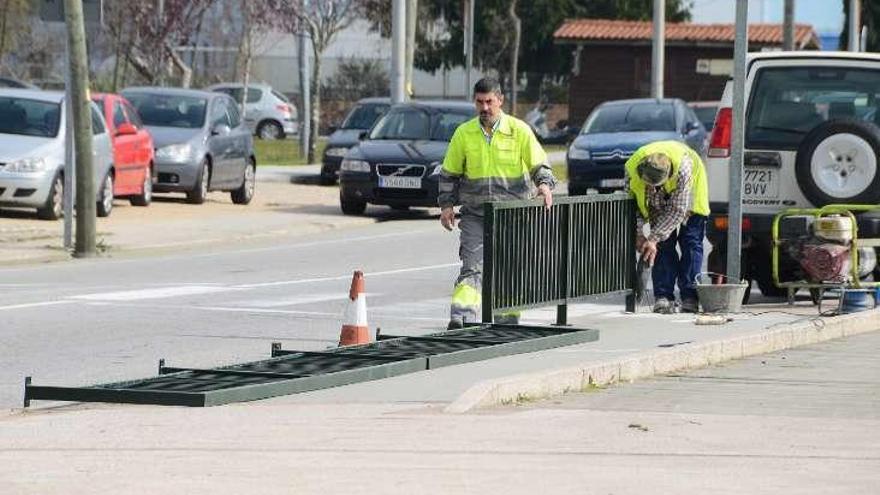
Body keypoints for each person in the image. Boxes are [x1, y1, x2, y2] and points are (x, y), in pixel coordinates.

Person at [439, 77, 556, 329]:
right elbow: (449, 174)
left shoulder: (519, 130)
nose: (484, 108)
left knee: (509, 271)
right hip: (476, 215)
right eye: (479, 102)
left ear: (500, 101)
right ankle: (462, 319)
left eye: (489, 102)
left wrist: (544, 185)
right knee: (472, 268)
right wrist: (446, 206)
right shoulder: (464, 133)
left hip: (512, 216)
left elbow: (539, 164)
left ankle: (507, 321)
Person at [624, 140, 710, 314]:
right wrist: (641, 232)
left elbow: (677, 211)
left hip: (690, 196)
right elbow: (633, 204)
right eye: (648, 185)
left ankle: (690, 297)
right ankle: (663, 297)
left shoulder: (683, 168)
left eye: (655, 186)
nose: (650, 188)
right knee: (661, 247)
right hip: (658, 204)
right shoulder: (631, 168)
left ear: (668, 176)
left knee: (690, 242)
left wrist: (653, 237)